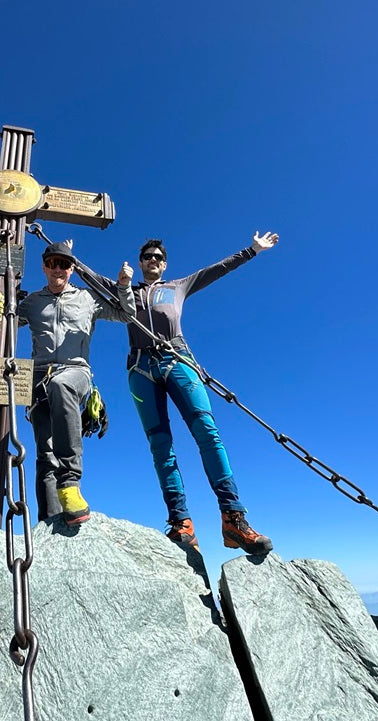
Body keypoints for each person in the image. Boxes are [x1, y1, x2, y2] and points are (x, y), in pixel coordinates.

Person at [116, 231, 280, 555]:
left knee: (208, 433)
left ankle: (234, 519)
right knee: (160, 445)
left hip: (178, 360)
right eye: (148, 256)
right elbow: (86, 288)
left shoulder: (178, 286)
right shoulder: (126, 292)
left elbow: (217, 269)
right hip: (140, 368)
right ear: (140, 261)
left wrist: (252, 250)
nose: (153, 261)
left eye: (158, 257)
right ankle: (181, 524)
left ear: (165, 264)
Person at [18, 241, 135, 525]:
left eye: (64, 264)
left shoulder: (87, 298)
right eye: (53, 263)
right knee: (45, 453)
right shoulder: (32, 302)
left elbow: (126, 314)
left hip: (75, 372)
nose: (58, 268)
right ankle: (51, 521)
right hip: (37, 379)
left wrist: (123, 286)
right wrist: (5, 296)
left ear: (72, 268)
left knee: (61, 385)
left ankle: (70, 481)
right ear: (44, 266)